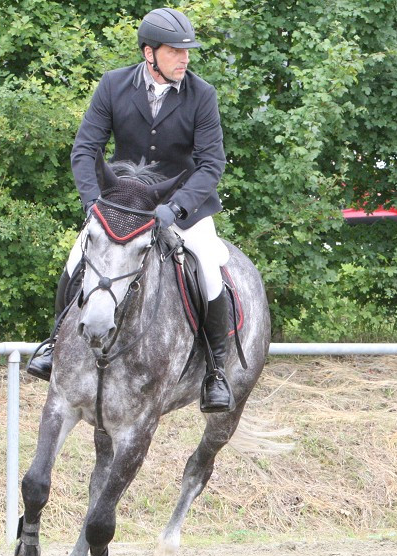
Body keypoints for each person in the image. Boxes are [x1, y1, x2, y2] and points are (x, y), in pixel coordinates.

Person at [27, 7, 235, 413]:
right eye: (175, 51)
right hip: (122, 203)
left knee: (209, 266)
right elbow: (85, 149)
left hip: (181, 203)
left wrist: (176, 209)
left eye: (187, 51)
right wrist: (92, 203)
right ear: (149, 53)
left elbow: (212, 164)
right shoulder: (113, 85)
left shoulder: (202, 95)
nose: (185, 58)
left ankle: (216, 370)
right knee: (76, 259)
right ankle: (54, 343)